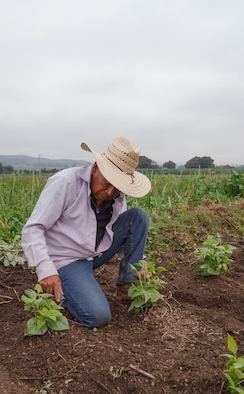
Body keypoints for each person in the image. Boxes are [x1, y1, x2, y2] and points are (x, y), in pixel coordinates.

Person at [21, 136, 152, 328]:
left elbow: (118, 232)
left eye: (117, 188)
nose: (109, 192)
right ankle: (67, 286)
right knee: (98, 316)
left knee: (137, 217)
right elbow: (33, 229)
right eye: (107, 183)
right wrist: (45, 270)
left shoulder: (115, 195)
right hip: (66, 259)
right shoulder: (66, 183)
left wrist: (139, 266)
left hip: (94, 252)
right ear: (97, 167)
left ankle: (127, 286)